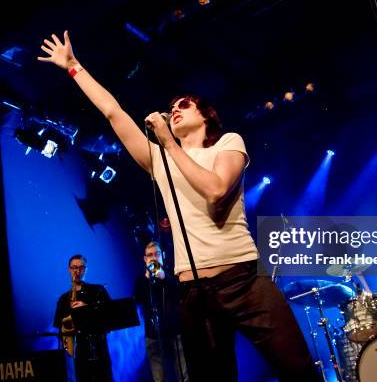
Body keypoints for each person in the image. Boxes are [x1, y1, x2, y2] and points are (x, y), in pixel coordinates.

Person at [39, 31, 319, 381]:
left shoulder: (227, 143)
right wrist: (74, 67)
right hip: (193, 292)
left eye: (184, 105)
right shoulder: (159, 159)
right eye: (171, 107)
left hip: (244, 280)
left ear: (206, 117)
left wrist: (170, 144)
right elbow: (113, 112)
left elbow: (216, 190)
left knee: (299, 370)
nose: (174, 109)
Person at [133, 241, 188, 382]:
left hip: (174, 332)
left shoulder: (171, 274)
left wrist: (163, 277)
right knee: (160, 378)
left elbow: (180, 293)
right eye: (150, 255)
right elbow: (138, 300)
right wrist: (147, 277)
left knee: (183, 375)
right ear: (145, 259)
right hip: (153, 335)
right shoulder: (141, 280)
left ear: (162, 255)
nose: (154, 258)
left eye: (157, 254)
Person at [53, 254, 113, 382]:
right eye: (74, 268)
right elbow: (60, 327)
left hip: (99, 347)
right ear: (69, 269)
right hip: (78, 351)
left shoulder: (98, 290)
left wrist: (87, 308)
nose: (77, 271)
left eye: (81, 268)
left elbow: (111, 317)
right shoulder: (63, 299)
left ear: (86, 269)